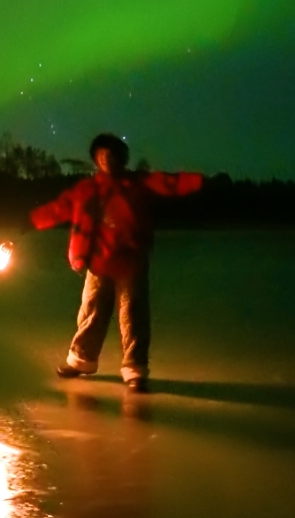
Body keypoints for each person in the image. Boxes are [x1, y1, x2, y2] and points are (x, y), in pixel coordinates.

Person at [29, 133, 204, 393]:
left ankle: (135, 371)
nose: (106, 159)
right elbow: (59, 208)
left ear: (121, 158)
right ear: (96, 159)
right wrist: (31, 220)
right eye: (101, 155)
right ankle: (81, 361)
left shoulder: (139, 183)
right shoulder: (86, 189)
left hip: (130, 263)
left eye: (112, 154)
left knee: (133, 316)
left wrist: (200, 182)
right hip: (98, 263)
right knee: (91, 314)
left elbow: (171, 182)